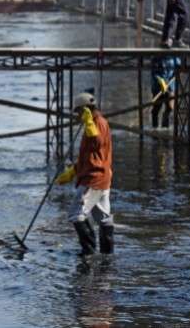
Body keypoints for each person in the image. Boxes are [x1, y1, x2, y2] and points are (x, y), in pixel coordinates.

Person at [56, 92, 114, 256]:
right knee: (103, 218)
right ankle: (106, 255)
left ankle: (88, 252)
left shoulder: (97, 123)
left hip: (94, 179)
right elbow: (91, 155)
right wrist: (73, 171)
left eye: (78, 112)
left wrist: (89, 123)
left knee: (76, 214)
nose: (77, 116)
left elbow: (97, 144)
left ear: (85, 110)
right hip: (100, 177)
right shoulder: (92, 125)